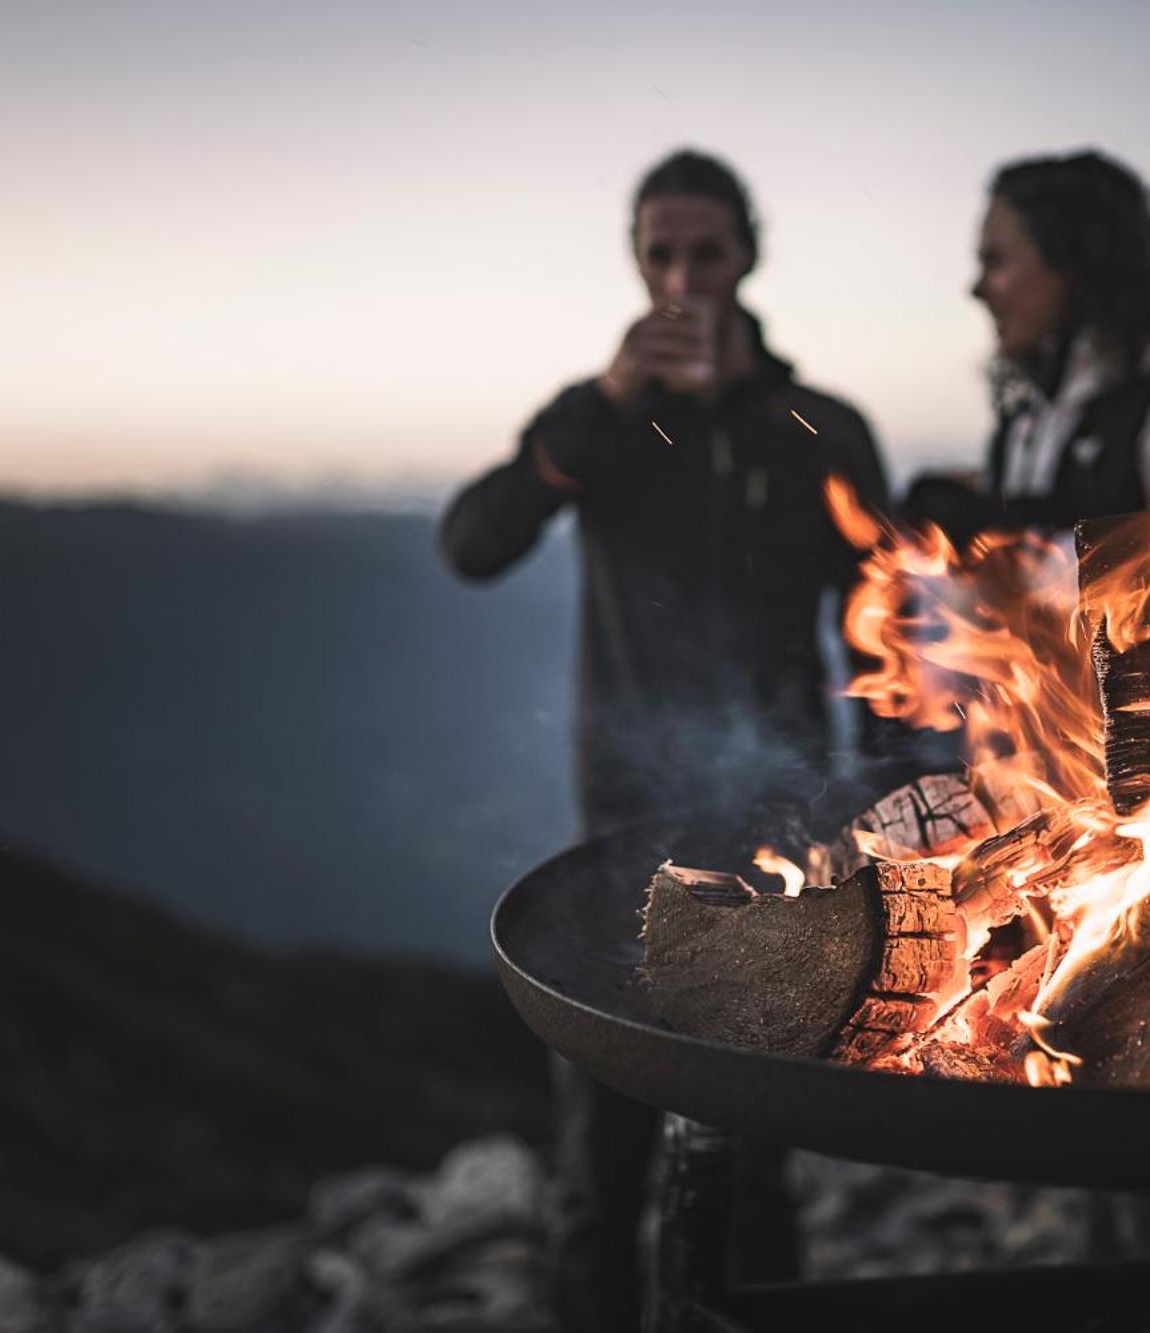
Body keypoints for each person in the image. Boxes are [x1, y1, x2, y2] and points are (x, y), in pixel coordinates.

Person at [439, 148, 888, 1331]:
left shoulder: (822, 429)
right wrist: (593, 412)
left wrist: (894, 802)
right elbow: (472, 542)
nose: (681, 277)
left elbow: (882, 625)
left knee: (755, 1169)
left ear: (748, 254)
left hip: (780, 846)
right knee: (601, 1168)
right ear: (636, 262)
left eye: (705, 251)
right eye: (659, 254)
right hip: (621, 834)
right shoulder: (594, 424)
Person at [911, 149, 1150, 539]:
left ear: (1074, 263)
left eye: (997, 261)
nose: (977, 289)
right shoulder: (1024, 423)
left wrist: (1014, 547)